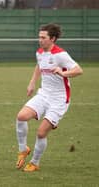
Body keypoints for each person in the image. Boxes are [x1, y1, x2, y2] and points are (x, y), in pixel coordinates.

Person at [15, 23, 83, 172]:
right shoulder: (40, 52)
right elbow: (39, 65)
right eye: (39, 37)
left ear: (52, 39)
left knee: (41, 132)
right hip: (43, 94)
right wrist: (32, 82)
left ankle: (34, 162)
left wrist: (63, 73)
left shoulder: (61, 55)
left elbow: (78, 70)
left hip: (59, 99)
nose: (40, 40)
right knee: (21, 116)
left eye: (43, 37)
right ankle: (23, 149)